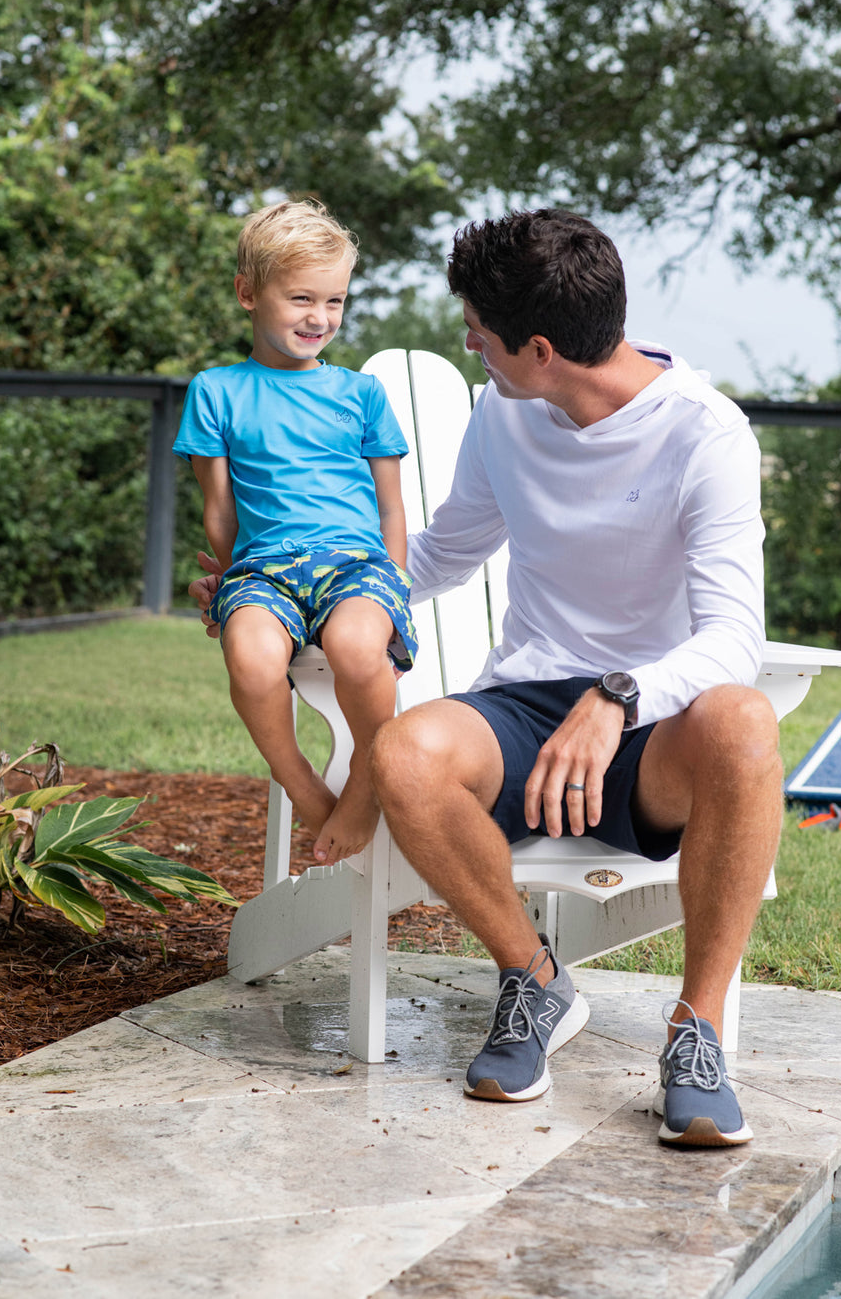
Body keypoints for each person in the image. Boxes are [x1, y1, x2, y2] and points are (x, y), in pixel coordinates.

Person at [192, 207, 782, 1150]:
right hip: (525, 707)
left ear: (540, 349)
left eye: (478, 331)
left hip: (653, 726)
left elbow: (734, 637)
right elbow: (441, 553)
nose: (468, 344)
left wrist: (617, 696)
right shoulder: (506, 410)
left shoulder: (706, 434)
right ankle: (533, 977)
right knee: (406, 752)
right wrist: (283, 586)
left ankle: (696, 1030)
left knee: (745, 720)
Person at [174, 198, 417, 867]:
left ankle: (367, 776)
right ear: (248, 294)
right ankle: (301, 781)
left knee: (358, 647)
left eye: (334, 301)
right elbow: (219, 510)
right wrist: (231, 583)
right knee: (251, 656)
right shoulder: (216, 391)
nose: (320, 318)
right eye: (302, 298)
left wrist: (393, 580)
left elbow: (391, 509)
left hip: (355, 566)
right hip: (264, 569)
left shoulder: (360, 394)